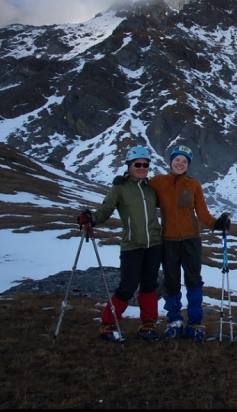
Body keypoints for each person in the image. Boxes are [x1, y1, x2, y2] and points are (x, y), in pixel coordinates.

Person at [78, 145, 163, 342]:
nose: (142, 168)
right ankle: (108, 325)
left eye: (146, 165)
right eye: (138, 164)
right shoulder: (119, 188)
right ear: (129, 165)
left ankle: (147, 324)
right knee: (127, 286)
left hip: (154, 245)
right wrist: (92, 219)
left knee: (149, 285)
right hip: (132, 246)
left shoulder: (151, 190)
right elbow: (105, 210)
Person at [149, 144, 231, 342]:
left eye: (184, 161)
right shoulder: (158, 182)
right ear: (171, 161)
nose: (180, 163)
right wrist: (126, 181)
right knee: (171, 281)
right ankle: (174, 321)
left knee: (194, 280)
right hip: (168, 240)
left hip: (192, 240)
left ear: (188, 165)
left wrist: (217, 224)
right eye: (177, 159)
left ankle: (194, 323)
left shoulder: (194, 185)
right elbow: (141, 193)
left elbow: (202, 213)